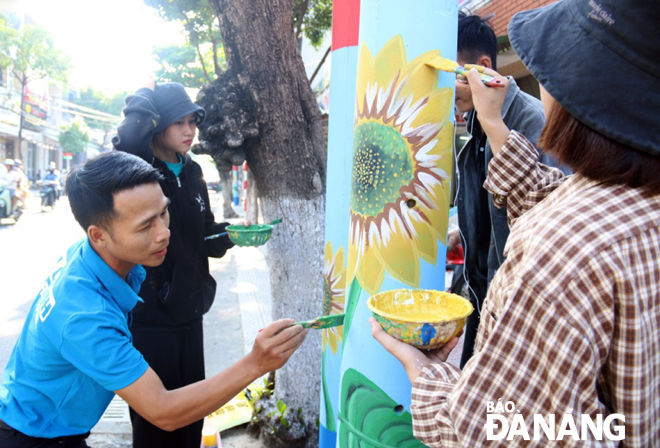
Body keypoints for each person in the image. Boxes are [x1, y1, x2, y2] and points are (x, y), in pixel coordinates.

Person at [372, 0, 660, 445]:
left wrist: (426, 375)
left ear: (576, 91)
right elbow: (545, 191)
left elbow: (495, 429)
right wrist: (486, 120)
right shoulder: (633, 201)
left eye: (548, 70)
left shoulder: (562, 248)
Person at [0, 151, 306, 448]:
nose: (163, 233)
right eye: (146, 225)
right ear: (98, 235)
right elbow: (163, 411)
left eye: (163, 212)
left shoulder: (89, 257)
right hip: (34, 437)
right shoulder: (86, 316)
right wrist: (256, 363)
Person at [112, 80, 243, 447]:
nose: (188, 131)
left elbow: (204, 237)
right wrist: (143, 98)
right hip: (151, 316)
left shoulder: (194, 171)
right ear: (157, 126)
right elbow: (126, 139)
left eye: (192, 121)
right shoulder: (138, 168)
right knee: (156, 422)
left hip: (190, 310)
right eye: (178, 122)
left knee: (192, 414)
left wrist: (234, 235)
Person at [448, 12, 566, 367]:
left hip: (518, 309)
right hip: (481, 294)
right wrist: (463, 231)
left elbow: (546, 216)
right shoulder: (477, 123)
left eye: (448, 75)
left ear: (482, 68)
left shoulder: (533, 121)